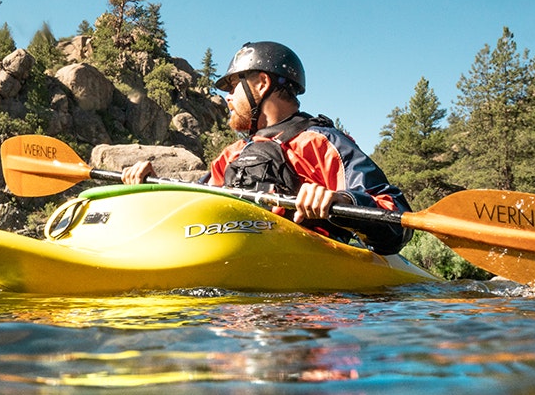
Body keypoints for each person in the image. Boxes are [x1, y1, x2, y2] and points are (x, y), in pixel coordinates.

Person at [121, 41, 412, 255]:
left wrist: (340, 201)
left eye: (233, 87)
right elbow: (194, 203)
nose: (227, 98)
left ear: (261, 83)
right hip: (239, 286)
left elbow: (396, 217)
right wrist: (151, 187)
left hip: (314, 304)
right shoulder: (232, 155)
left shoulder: (321, 143)